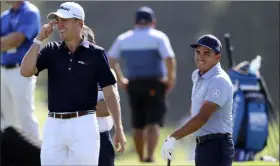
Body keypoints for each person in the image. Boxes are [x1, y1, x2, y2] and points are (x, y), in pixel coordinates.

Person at [20, 2, 126, 165]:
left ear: (79, 23)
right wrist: (38, 39)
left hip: (84, 124)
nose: (59, 25)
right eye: (57, 20)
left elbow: (110, 93)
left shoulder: (96, 54)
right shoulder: (51, 50)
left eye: (65, 20)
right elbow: (25, 71)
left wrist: (119, 129)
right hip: (54, 125)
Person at [108, 6, 176, 162]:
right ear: (153, 22)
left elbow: (111, 59)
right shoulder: (158, 37)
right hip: (155, 82)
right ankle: (150, 157)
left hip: (133, 84)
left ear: (135, 22)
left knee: (138, 123)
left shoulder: (124, 38)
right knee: (153, 123)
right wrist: (170, 80)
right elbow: (170, 59)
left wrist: (120, 79)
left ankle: (140, 158)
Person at [161, 34, 234, 166]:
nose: (200, 57)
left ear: (217, 57)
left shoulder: (219, 80)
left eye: (207, 53)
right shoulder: (197, 75)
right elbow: (194, 110)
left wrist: (174, 137)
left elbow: (202, 118)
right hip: (202, 145)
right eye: (198, 52)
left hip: (217, 146)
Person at [1, 1, 41, 138]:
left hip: (22, 71)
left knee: (25, 117)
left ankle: (35, 157)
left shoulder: (30, 12)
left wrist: (5, 42)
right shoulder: (5, 16)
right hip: (4, 70)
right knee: (7, 120)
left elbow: (16, 39)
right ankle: (10, 158)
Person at [81, 25, 117, 166]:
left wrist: (78, 108)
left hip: (101, 139)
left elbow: (108, 108)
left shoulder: (107, 72)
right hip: (73, 139)